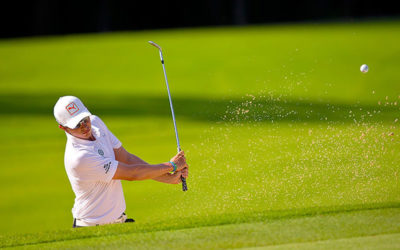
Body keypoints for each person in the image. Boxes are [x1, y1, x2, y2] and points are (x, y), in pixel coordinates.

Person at [53, 96, 188, 227]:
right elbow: (131, 174)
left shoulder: (96, 123)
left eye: (84, 119)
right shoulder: (79, 157)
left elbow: (127, 159)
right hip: (91, 227)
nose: (84, 126)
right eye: (76, 124)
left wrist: (168, 178)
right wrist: (171, 165)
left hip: (119, 222)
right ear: (63, 128)